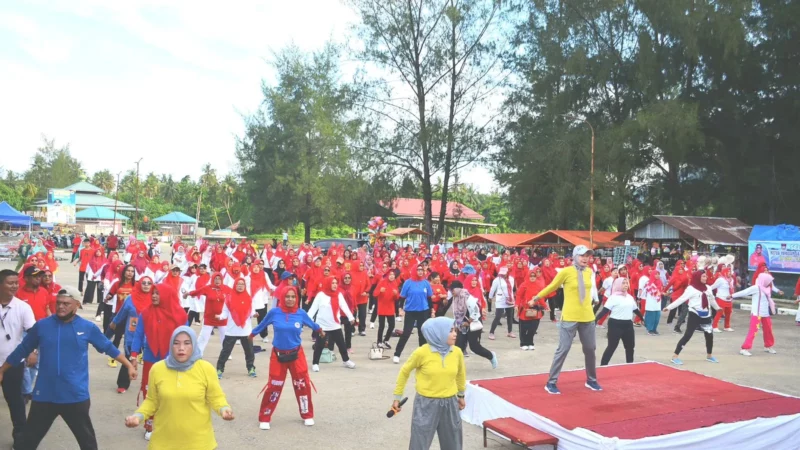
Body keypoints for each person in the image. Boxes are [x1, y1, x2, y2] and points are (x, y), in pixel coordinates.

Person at [0, 285, 137, 450]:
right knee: (27, 443)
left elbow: (108, 347)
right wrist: (2, 370)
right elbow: (22, 350)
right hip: (45, 395)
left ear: (77, 305)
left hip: (75, 396)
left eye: (66, 303)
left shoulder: (87, 328)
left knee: (87, 443)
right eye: (58, 303)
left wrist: (129, 365)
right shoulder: (42, 326)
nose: (60, 306)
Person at [125, 326, 234, 448]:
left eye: (187, 343)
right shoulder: (158, 369)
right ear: (171, 345)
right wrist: (138, 416)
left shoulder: (206, 369)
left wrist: (224, 409)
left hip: (199, 443)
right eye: (176, 343)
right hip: (163, 443)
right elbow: (151, 401)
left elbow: (216, 397)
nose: (181, 348)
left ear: (194, 345)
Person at [529, 246, 601, 395]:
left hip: (587, 316)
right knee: (563, 349)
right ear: (575, 256)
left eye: (588, 256)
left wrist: (595, 299)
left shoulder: (589, 272)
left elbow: (591, 288)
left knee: (590, 349)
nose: (585, 258)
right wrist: (536, 297)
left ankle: (591, 380)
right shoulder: (566, 272)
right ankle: (551, 382)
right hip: (569, 317)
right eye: (582, 256)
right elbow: (552, 286)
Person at [250, 286, 321, 430]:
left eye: (293, 297)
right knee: (274, 386)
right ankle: (265, 416)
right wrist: (251, 335)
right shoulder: (274, 312)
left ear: (296, 298)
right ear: (282, 297)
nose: (290, 299)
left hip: (296, 355)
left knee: (302, 384)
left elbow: (313, 324)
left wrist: (320, 330)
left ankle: (307, 414)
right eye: (287, 296)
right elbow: (262, 324)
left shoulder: (301, 313)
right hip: (278, 355)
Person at [392, 317, 466, 450]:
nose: (455, 333)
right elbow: (404, 372)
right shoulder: (422, 352)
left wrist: (461, 395)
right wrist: (397, 397)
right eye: (450, 331)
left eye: (455, 330)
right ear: (438, 333)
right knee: (419, 443)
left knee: (453, 444)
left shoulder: (457, 352)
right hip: (426, 404)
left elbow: (460, 374)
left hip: (450, 403)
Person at [130, 283, 188, 440]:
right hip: (151, 359)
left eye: (157, 293)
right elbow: (138, 335)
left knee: (173, 393)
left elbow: (187, 338)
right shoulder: (146, 313)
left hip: (173, 360)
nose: (154, 296)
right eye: (153, 293)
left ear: (166, 295)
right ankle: (150, 424)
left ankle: (173, 424)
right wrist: (134, 355)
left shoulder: (180, 314)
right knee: (150, 392)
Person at [0, 269, 36, 447]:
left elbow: (32, 333)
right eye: (10, 282)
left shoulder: (23, 307)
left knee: (15, 401)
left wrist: (32, 351)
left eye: (16, 282)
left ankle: (20, 438)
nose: (15, 286)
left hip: (12, 363)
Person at [663, 270, 720, 365]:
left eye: (706, 276)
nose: (705, 278)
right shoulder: (691, 289)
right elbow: (681, 299)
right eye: (703, 276)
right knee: (688, 335)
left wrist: (718, 308)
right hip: (694, 314)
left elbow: (712, 300)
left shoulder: (708, 288)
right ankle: (675, 356)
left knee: (709, 336)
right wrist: (669, 307)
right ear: (698, 277)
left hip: (706, 314)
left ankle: (709, 356)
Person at [308, 277, 356, 372]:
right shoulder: (320, 295)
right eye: (332, 283)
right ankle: (315, 363)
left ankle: (346, 360)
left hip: (335, 325)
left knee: (341, 344)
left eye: (336, 283)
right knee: (319, 345)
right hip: (322, 326)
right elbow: (313, 309)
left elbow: (344, 306)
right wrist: (307, 320)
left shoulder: (338, 294)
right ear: (328, 283)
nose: (334, 285)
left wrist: (351, 317)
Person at [596, 278, 645, 365]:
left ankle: (629, 365)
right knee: (612, 347)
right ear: (618, 285)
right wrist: (595, 320)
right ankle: (603, 365)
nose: (626, 285)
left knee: (630, 347)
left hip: (628, 325)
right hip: (615, 324)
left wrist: (642, 319)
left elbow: (636, 310)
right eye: (623, 283)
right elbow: (605, 311)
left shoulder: (630, 297)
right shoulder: (613, 297)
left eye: (627, 283)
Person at [733, 272, 783, 357]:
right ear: (764, 281)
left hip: (765, 313)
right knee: (753, 331)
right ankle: (744, 349)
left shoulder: (767, 288)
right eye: (769, 281)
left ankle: (768, 346)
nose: (770, 283)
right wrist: (732, 295)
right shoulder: (756, 288)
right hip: (757, 313)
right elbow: (744, 292)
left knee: (768, 330)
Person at [216, 278, 258, 378]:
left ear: (245, 286)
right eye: (238, 284)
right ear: (235, 285)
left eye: (242, 284)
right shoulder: (229, 298)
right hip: (232, 330)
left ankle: (251, 368)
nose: (240, 286)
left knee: (249, 351)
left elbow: (251, 311)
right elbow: (225, 312)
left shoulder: (248, 298)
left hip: (246, 330)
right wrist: (220, 317)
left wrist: (254, 314)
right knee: (226, 351)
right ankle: (219, 369)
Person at [451, 280, 497, 368]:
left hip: (472, 323)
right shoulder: (455, 298)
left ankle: (491, 355)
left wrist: (469, 322)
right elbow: (455, 313)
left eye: (453, 289)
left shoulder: (467, 297)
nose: (451, 291)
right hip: (461, 325)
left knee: (474, 347)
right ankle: (455, 367)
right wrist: (456, 325)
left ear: (458, 289)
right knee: (458, 346)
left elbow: (476, 310)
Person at [393, 265, 433, 364]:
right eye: (418, 270)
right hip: (410, 311)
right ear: (414, 271)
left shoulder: (426, 283)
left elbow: (429, 298)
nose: (420, 272)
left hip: (423, 311)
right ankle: (397, 354)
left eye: (421, 270)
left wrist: (432, 311)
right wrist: (400, 309)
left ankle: (422, 356)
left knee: (422, 333)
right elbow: (402, 298)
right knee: (406, 333)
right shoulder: (408, 283)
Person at [185, 273, 229, 355]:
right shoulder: (208, 288)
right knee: (204, 337)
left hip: (222, 318)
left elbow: (236, 294)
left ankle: (226, 353)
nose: (217, 281)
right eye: (215, 279)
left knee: (225, 337)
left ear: (222, 280)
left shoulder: (226, 289)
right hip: (209, 317)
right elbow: (197, 291)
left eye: (219, 279)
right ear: (212, 279)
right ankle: (197, 353)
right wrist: (188, 294)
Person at [516, 270, 548, 350]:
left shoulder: (539, 285)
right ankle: (523, 343)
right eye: (531, 276)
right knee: (523, 328)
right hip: (525, 310)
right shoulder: (524, 285)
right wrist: (516, 305)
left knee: (533, 328)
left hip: (536, 310)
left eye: (534, 276)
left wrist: (545, 306)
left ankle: (530, 342)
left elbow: (540, 297)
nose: (533, 277)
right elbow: (519, 295)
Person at [375, 271, 400, 348]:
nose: (392, 276)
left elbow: (397, 298)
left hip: (390, 307)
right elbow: (374, 293)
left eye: (393, 275)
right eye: (390, 275)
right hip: (382, 307)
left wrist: (396, 294)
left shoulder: (395, 283)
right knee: (381, 326)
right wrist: (380, 291)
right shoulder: (382, 282)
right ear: (387, 275)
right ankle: (379, 341)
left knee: (392, 325)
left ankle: (386, 340)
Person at [488, 267, 515, 340]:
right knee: (498, 316)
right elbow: (492, 289)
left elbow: (512, 289)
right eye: (502, 273)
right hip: (500, 299)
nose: (503, 275)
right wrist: (490, 297)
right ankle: (491, 332)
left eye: (504, 273)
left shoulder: (511, 279)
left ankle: (510, 331)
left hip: (509, 299)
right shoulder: (497, 280)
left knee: (510, 316)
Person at [711, 266, 737, 332]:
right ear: (725, 272)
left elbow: (732, 288)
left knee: (728, 313)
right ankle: (714, 327)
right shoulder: (720, 279)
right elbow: (712, 287)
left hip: (729, 299)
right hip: (721, 298)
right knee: (720, 312)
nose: (729, 273)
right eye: (728, 272)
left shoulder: (732, 280)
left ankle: (727, 326)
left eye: (730, 272)